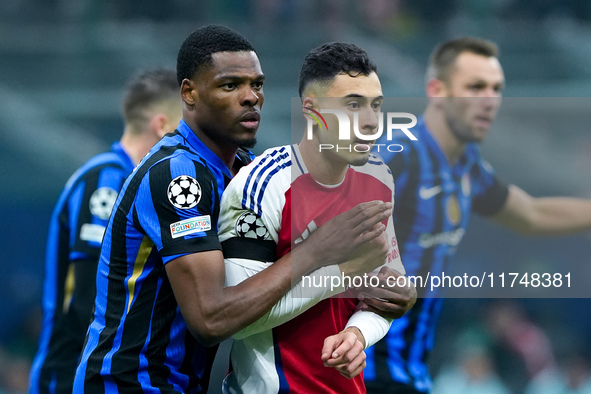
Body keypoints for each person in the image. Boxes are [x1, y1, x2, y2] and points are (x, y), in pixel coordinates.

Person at [73, 25, 393, 393]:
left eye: (257, 85)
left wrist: (380, 299)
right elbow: (210, 319)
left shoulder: (244, 170)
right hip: (129, 382)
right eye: (230, 85)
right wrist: (319, 252)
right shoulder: (178, 176)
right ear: (189, 94)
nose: (250, 97)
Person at [364, 36, 591, 393]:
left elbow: (531, 214)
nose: (489, 100)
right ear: (437, 90)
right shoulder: (398, 153)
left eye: (495, 88)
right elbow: (325, 227)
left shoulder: (466, 165)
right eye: (475, 87)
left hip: (409, 373)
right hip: (365, 371)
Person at [218, 42, 416, 394]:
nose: (371, 121)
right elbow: (237, 320)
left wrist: (358, 334)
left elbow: (382, 293)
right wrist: (342, 272)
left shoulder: (378, 178)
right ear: (311, 111)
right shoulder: (262, 186)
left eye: (376, 106)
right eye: (353, 105)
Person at [28, 68, 182, 394]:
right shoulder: (106, 183)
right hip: (70, 378)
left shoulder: (138, 184)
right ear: (162, 126)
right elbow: (88, 298)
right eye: (186, 124)